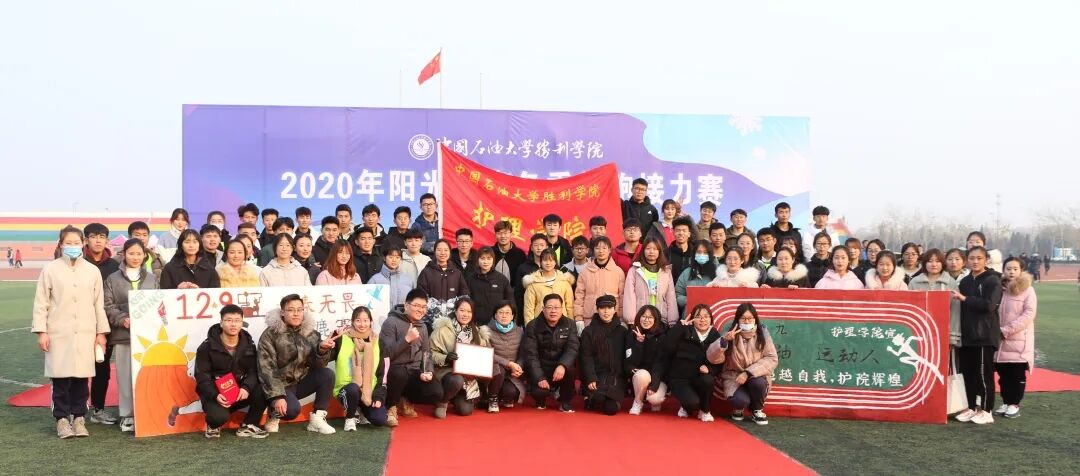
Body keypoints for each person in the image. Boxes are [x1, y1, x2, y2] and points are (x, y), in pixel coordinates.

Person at [32, 226, 110, 438]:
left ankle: (79, 418)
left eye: (76, 243)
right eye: (68, 243)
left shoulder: (92, 271)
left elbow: (98, 304)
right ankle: (62, 420)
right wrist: (41, 331)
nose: (73, 246)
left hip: (85, 332)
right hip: (58, 332)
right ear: (60, 244)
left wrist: (101, 333)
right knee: (60, 378)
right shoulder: (50, 270)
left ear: (83, 244)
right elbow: (41, 303)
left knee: (81, 379)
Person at [257, 294, 337, 434]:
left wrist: (321, 350)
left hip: (301, 381)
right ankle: (274, 413)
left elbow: (317, 365)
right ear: (282, 312)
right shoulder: (270, 334)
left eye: (299, 310)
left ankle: (317, 418)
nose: (296, 314)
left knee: (327, 374)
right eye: (291, 310)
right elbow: (267, 369)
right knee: (291, 411)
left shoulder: (311, 333)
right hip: (281, 385)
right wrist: (277, 396)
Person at [103, 238, 159, 432]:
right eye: (131, 253)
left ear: (145, 255)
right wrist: (123, 319)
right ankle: (127, 415)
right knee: (125, 375)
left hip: (147, 335)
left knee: (147, 374)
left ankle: (145, 411)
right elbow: (107, 305)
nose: (135, 257)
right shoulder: (113, 279)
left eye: (139, 254)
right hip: (123, 334)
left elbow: (158, 302)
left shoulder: (152, 278)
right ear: (124, 255)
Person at [194, 304, 268, 438]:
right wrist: (215, 395)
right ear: (221, 323)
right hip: (217, 394)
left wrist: (246, 388)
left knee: (265, 387)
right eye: (228, 320)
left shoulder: (249, 345)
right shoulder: (206, 347)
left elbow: (253, 370)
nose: (233, 324)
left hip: (239, 391)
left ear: (242, 323)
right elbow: (202, 377)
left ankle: (249, 425)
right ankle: (213, 423)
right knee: (217, 418)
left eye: (237, 320)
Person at [953, 247, 1003, 425]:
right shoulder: (965, 281)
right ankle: (971, 407)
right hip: (967, 336)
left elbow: (989, 305)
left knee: (983, 375)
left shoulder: (993, 280)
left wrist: (966, 299)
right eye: (972, 258)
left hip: (984, 336)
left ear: (986, 260)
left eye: (979, 258)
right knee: (968, 374)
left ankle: (987, 410)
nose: (975, 261)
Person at [380, 290, 443, 427]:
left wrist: (427, 371)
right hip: (394, 372)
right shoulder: (390, 322)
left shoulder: (423, 326)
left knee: (436, 392)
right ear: (406, 305)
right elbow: (386, 354)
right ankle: (390, 406)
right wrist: (407, 339)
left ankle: (405, 399)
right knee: (399, 374)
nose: (421, 310)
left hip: (413, 371)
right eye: (417, 306)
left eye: (424, 307)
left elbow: (426, 353)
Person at [707, 302, 778, 425]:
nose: (747, 321)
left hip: (755, 376)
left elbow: (772, 358)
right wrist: (724, 341)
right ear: (737, 319)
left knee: (758, 382)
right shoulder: (730, 334)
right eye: (743, 318)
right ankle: (739, 408)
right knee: (740, 400)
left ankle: (757, 410)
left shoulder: (762, 334)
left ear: (755, 319)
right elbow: (712, 358)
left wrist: (748, 373)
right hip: (734, 377)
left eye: (750, 318)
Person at [653, 304, 721, 422]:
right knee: (693, 403)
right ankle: (687, 406)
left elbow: (720, 362)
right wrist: (679, 328)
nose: (702, 320)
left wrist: (710, 369)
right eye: (698, 316)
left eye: (706, 316)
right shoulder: (684, 331)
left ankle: (705, 410)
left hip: (699, 378)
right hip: (680, 380)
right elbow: (667, 347)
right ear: (692, 319)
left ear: (711, 319)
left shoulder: (715, 336)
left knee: (708, 380)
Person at [81, 223, 120, 425]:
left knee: (102, 368)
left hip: (105, 325)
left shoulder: (114, 266)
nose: (98, 240)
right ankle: (76, 410)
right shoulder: (78, 262)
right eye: (94, 236)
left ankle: (98, 409)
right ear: (86, 239)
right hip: (80, 323)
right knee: (78, 368)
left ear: (107, 240)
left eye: (102, 237)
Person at [330, 307, 390, 430]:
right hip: (346, 390)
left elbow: (383, 374)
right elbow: (324, 358)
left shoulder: (379, 342)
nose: (362, 324)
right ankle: (350, 418)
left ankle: (362, 410)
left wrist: (378, 396)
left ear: (370, 321)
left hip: (369, 392)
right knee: (353, 389)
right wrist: (330, 340)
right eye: (358, 320)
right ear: (352, 322)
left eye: (365, 320)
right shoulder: (342, 338)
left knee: (379, 419)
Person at [430, 298, 491, 418]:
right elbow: (430, 353)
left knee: (465, 411)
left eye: (469, 311)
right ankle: (443, 402)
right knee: (456, 380)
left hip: (468, 376)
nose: (465, 314)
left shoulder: (477, 332)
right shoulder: (443, 330)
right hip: (446, 372)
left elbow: (484, 356)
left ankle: (456, 396)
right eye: (462, 310)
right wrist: (445, 358)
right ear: (455, 311)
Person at [994, 257, 1037, 419]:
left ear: (1021, 270)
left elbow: (1029, 314)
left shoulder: (1028, 290)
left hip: (1018, 340)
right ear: (1003, 270)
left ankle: (1014, 403)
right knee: (1003, 375)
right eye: (1008, 269)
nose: (1011, 272)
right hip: (1000, 341)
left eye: (1015, 269)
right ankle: (1006, 402)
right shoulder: (999, 289)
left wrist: (1006, 330)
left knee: (1016, 375)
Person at [523, 294, 580, 412]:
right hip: (541, 367)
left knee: (570, 368)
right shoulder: (533, 326)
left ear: (562, 309)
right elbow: (531, 355)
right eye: (549, 307)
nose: (553, 311)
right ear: (543, 309)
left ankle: (565, 401)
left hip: (560, 368)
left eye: (557, 307)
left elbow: (572, 348)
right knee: (540, 392)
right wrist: (539, 377)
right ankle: (541, 398)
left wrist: (562, 365)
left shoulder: (570, 324)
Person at [579, 295, 628, 416]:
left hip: (616, 376)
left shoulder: (622, 331)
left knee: (611, 409)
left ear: (615, 310)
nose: (606, 311)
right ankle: (591, 397)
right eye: (602, 308)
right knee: (599, 398)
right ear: (597, 310)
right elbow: (586, 357)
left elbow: (627, 356)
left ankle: (596, 397)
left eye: (609, 307)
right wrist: (591, 377)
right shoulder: (588, 331)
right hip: (597, 375)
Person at [908, 249, 961, 346]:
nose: (934, 264)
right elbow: (909, 308)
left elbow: (955, 310)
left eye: (937, 261)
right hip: (919, 330)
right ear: (924, 263)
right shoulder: (914, 282)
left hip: (942, 330)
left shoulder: (950, 283)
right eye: (930, 261)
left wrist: (953, 335)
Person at [623, 236, 678, 326]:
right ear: (643, 251)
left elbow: (670, 296)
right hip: (641, 318)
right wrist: (631, 320)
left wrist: (672, 320)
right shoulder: (635, 270)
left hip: (660, 318)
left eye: (655, 249)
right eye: (648, 249)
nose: (651, 252)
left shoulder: (666, 271)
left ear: (659, 252)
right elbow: (629, 296)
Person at [417, 239, 471, 327]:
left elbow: (464, 294)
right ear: (434, 252)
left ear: (449, 252)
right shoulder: (426, 272)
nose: (442, 253)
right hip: (431, 320)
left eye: (446, 250)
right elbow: (421, 294)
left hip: (453, 320)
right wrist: (432, 308)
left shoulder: (456, 273)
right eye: (439, 250)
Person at [626, 305, 669, 414]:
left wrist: (654, 385)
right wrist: (639, 344)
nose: (646, 320)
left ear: (656, 319)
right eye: (644, 316)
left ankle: (653, 398)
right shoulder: (632, 334)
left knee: (655, 399)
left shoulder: (662, 336)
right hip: (641, 375)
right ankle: (638, 402)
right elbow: (630, 361)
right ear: (638, 317)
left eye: (650, 317)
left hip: (658, 377)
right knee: (642, 375)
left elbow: (660, 363)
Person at [574, 236, 625, 327]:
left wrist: (621, 317)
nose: (601, 251)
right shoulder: (585, 272)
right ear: (593, 250)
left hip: (612, 318)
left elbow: (622, 296)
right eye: (597, 248)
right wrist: (578, 317)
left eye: (604, 248)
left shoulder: (618, 272)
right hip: (590, 318)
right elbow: (579, 296)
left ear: (609, 250)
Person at [486, 302, 526, 412]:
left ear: (512, 316)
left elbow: (523, 353)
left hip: (511, 373)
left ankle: (502, 395)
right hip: (493, 371)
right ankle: (492, 398)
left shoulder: (519, 331)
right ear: (495, 315)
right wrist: (508, 363)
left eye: (508, 313)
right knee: (500, 369)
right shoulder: (486, 331)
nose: (504, 316)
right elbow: (487, 354)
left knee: (511, 392)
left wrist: (518, 367)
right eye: (501, 312)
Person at [523, 249, 576, 324]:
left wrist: (570, 325)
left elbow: (569, 307)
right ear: (541, 262)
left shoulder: (564, 281)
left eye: (551, 260)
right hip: (540, 324)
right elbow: (529, 309)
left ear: (555, 262)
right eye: (545, 260)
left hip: (562, 323)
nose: (548, 263)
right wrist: (530, 327)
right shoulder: (533, 282)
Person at [465, 247, 513, 327]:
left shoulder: (501, 279)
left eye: (489, 258)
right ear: (478, 260)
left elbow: (510, 301)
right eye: (482, 258)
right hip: (476, 323)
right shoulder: (471, 279)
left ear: (493, 260)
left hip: (497, 324)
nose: (485, 262)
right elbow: (466, 301)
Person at [676, 240, 718, 312]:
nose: (702, 255)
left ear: (710, 254)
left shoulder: (718, 272)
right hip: (690, 314)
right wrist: (690, 300)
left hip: (713, 313)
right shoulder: (687, 273)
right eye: (699, 252)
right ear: (694, 254)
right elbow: (678, 295)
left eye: (705, 252)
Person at [667, 216, 695, 284]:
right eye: (678, 230)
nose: (681, 233)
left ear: (689, 234)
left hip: (691, 288)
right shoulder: (666, 253)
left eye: (684, 230)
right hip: (671, 289)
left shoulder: (695, 253)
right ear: (673, 232)